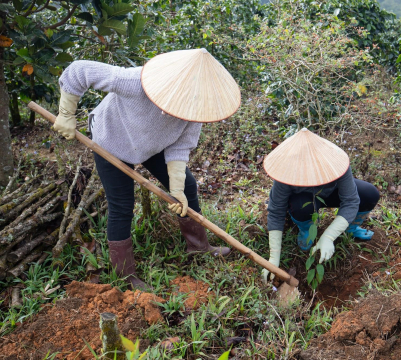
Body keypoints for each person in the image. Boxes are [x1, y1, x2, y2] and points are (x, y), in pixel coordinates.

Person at [53, 48, 241, 290]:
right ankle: (125, 275)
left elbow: (180, 147)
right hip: (111, 140)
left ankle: (198, 247)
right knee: (122, 205)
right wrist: (66, 114)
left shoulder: (195, 109)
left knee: (188, 185)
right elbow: (79, 71)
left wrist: (176, 188)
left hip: (151, 145)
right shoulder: (135, 82)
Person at [260, 128, 380, 282]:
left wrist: (329, 236)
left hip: (331, 193)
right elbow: (276, 211)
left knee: (369, 194)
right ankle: (306, 230)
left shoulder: (336, 163)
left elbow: (351, 201)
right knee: (300, 205)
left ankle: (351, 227)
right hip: (304, 200)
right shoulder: (286, 174)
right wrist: (273, 257)